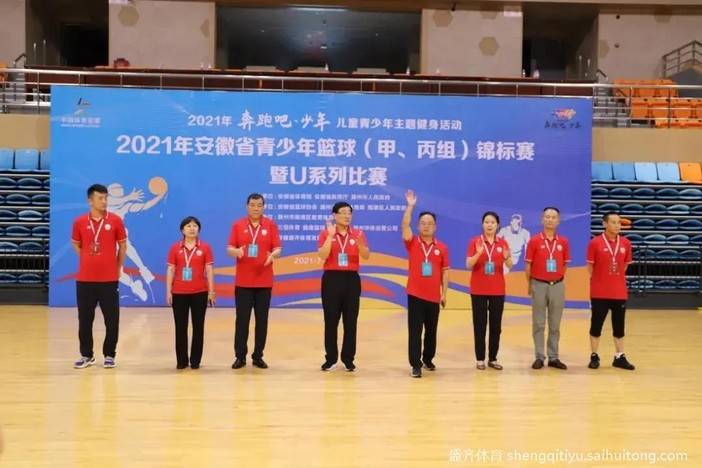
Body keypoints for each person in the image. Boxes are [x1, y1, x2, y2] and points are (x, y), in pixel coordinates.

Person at [70, 184, 127, 369]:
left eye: (106, 198)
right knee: (85, 320)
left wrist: (117, 267)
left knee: (112, 320)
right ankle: (87, 355)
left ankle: (109, 354)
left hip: (109, 280)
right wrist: (86, 257)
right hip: (85, 280)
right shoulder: (79, 222)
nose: (104, 201)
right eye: (100, 198)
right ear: (90, 200)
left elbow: (122, 246)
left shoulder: (116, 220)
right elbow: (75, 243)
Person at [227, 194, 282, 370]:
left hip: (264, 282)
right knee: (242, 321)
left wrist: (272, 256)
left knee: (262, 321)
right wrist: (237, 252)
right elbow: (229, 248)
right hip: (243, 283)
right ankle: (240, 356)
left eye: (259, 205)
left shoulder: (270, 225)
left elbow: (278, 249)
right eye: (252, 205)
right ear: (247, 206)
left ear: (263, 207)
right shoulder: (238, 225)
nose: (256, 208)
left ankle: (258, 356)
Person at [401, 190, 450, 378]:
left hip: (433, 296)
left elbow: (445, 272)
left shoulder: (442, 247)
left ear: (435, 227)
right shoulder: (412, 242)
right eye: (423, 223)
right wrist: (410, 206)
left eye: (430, 223)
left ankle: (428, 358)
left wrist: (444, 293)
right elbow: (405, 225)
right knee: (415, 331)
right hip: (415, 294)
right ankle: (415, 364)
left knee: (431, 331)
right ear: (418, 226)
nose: (426, 226)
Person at [318, 202, 370, 372]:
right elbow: (322, 255)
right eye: (343, 213)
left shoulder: (358, 234)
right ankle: (330, 358)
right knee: (331, 321)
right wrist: (330, 236)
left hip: (351, 280)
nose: (347, 216)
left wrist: (360, 244)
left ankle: (348, 359)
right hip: (331, 279)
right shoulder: (326, 233)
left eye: (349, 213)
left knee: (350, 321)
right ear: (334, 215)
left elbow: (366, 255)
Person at [586, 212, 635, 371]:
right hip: (599, 292)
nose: (617, 225)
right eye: (613, 222)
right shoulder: (595, 243)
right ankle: (594, 355)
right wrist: (601, 279)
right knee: (596, 325)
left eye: (619, 222)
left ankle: (619, 356)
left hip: (619, 292)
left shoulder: (626, 243)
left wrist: (615, 278)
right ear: (605, 224)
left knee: (619, 326)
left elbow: (624, 266)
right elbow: (590, 267)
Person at [166, 216, 216, 370]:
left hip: (200, 292)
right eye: (188, 226)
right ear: (182, 230)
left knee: (198, 327)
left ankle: (195, 361)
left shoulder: (205, 247)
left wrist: (211, 291)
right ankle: (181, 361)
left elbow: (209, 270)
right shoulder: (175, 248)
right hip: (179, 293)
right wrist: (168, 292)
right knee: (180, 328)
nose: (192, 228)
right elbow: (171, 270)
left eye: (195, 226)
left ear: (199, 229)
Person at [525, 207, 570, 370]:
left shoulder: (563, 242)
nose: (550, 219)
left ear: (558, 221)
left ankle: (553, 357)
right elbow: (528, 265)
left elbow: (564, 264)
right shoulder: (534, 241)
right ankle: (539, 356)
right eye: (547, 217)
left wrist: (558, 278)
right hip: (538, 284)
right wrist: (530, 283)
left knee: (555, 324)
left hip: (557, 285)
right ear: (542, 219)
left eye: (553, 217)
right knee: (538, 323)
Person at [466, 211, 512, 370]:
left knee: (496, 326)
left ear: (498, 225)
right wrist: (478, 253)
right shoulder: (475, 242)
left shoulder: (503, 243)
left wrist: (506, 257)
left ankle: (493, 358)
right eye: (486, 222)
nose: (489, 225)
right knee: (479, 325)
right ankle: (480, 359)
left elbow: (510, 265)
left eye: (492, 222)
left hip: (497, 290)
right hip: (478, 290)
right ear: (482, 224)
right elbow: (468, 264)